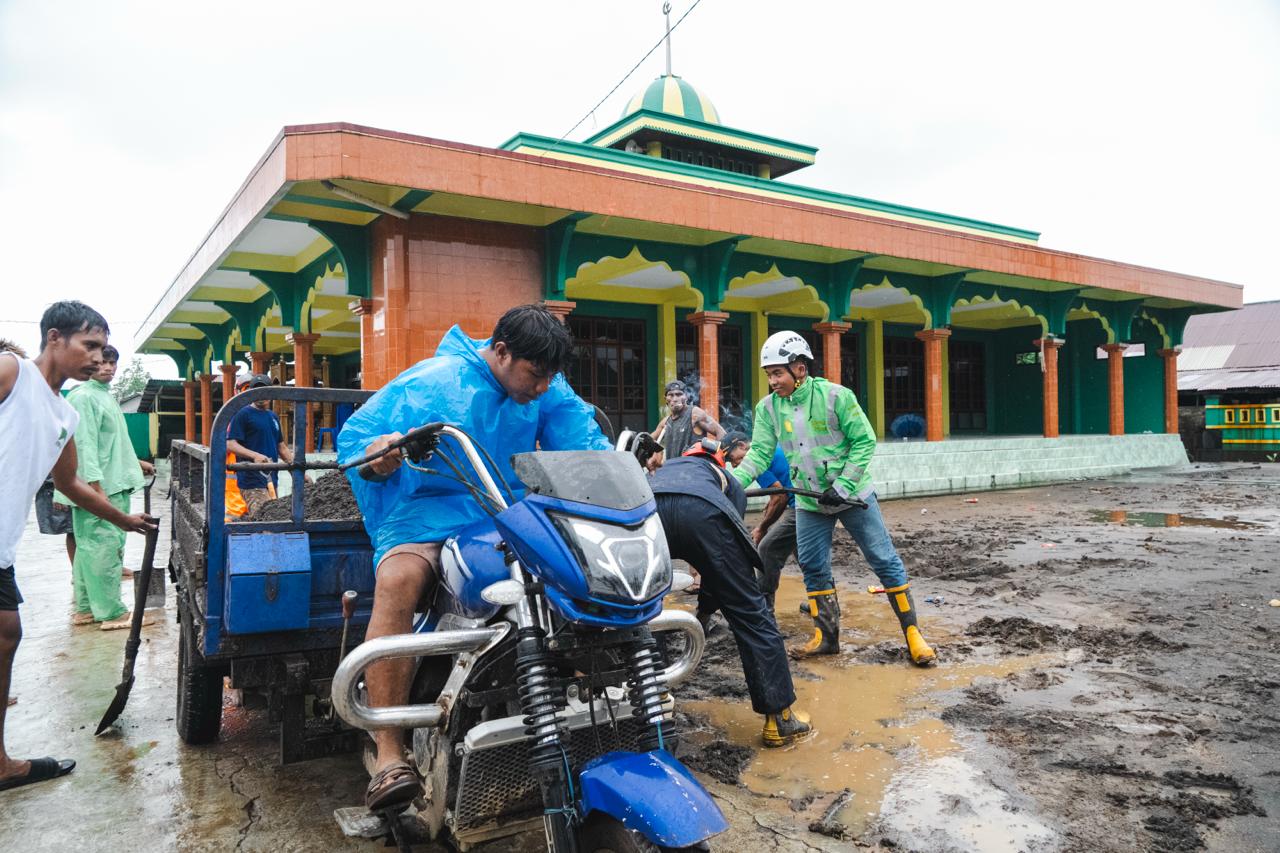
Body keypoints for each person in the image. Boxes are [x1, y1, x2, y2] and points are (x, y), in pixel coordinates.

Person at [337, 304, 610, 811]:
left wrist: (615, 468)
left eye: (552, 376)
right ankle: (390, 753)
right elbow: (353, 442)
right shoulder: (428, 382)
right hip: (423, 514)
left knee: (573, 568)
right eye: (536, 374)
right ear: (502, 353)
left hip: (501, 513)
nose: (544, 387)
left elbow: (581, 442)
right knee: (398, 581)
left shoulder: (544, 386)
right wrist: (381, 454)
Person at [0, 302, 154, 793]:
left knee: (7, 634)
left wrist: (124, 519)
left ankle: (1, 765)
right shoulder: (11, 372)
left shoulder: (64, 413)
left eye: (100, 348)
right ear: (54, 338)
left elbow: (70, 482)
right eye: (88, 345)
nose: (96, 356)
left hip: (2, 546)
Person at [730, 331, 936, 666]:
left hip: (852, 495)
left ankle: (914, 634)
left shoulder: (836, 397)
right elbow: (759, 455)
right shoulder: (767, 409)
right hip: (810, 501)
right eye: (769, 375)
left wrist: (842, 485)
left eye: (778, 373)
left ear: (799, 368)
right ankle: (827, 637)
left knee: (883, 559)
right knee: (812, 564)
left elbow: (865, 441)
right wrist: (731, 484)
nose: (772, 382)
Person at [648, 439, 813, 747]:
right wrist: (711, 605)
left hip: (649, 508)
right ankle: (780, 720)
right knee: (751, 614)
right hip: (704, 511)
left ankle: (655, 699)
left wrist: (703, 612)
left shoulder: (665, 469)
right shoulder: (727, 482)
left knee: (648, 609)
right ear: (718, 461)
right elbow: (718, 566)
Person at [53, 345, 155, 628]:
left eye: (113, 363)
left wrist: (137, 463)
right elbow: (84, 448)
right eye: (102, 363)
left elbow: (111, 443)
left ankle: (85, 609)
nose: (108, 368)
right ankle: (111, 613)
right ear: (89, 365)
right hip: (102, 488)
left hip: (111, 482)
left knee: (89, 549)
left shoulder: (103, 396)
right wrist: (95, 489)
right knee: (105, 548)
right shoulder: (84, 397)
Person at [723, 433, 797, 613]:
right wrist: (772, 503)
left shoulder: (756, 458)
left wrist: (762, 528)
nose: (733, 465)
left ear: (741, 446)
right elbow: (779, 490)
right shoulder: (770, 449)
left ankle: (763, 608)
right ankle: (819, 602)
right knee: (806, 555)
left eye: (731, 459)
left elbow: (780, 495)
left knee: (767, 548)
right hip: (802, 502)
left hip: (800, 507)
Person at [226, 374, 294, 517]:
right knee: (263, 520)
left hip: (270, 479)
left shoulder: (272, 417)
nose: (260, 396)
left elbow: (281, 446)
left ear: (269, 394)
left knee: (272, 518)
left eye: (264, 391)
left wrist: (297, 472)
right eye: (256, 391)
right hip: (252, 481)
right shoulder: (243, 415)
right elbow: (230, 444)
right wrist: (255, 456)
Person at [652, 381, 724, 458]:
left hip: (693, 468)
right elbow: (649, 440)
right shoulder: (665, 422)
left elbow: (721, 432)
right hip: (673, 468)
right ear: (665, 399)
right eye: (671, 395)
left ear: (686, 396)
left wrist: (714, 458)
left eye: (679, 394)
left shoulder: (694, 414)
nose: (675, 399)